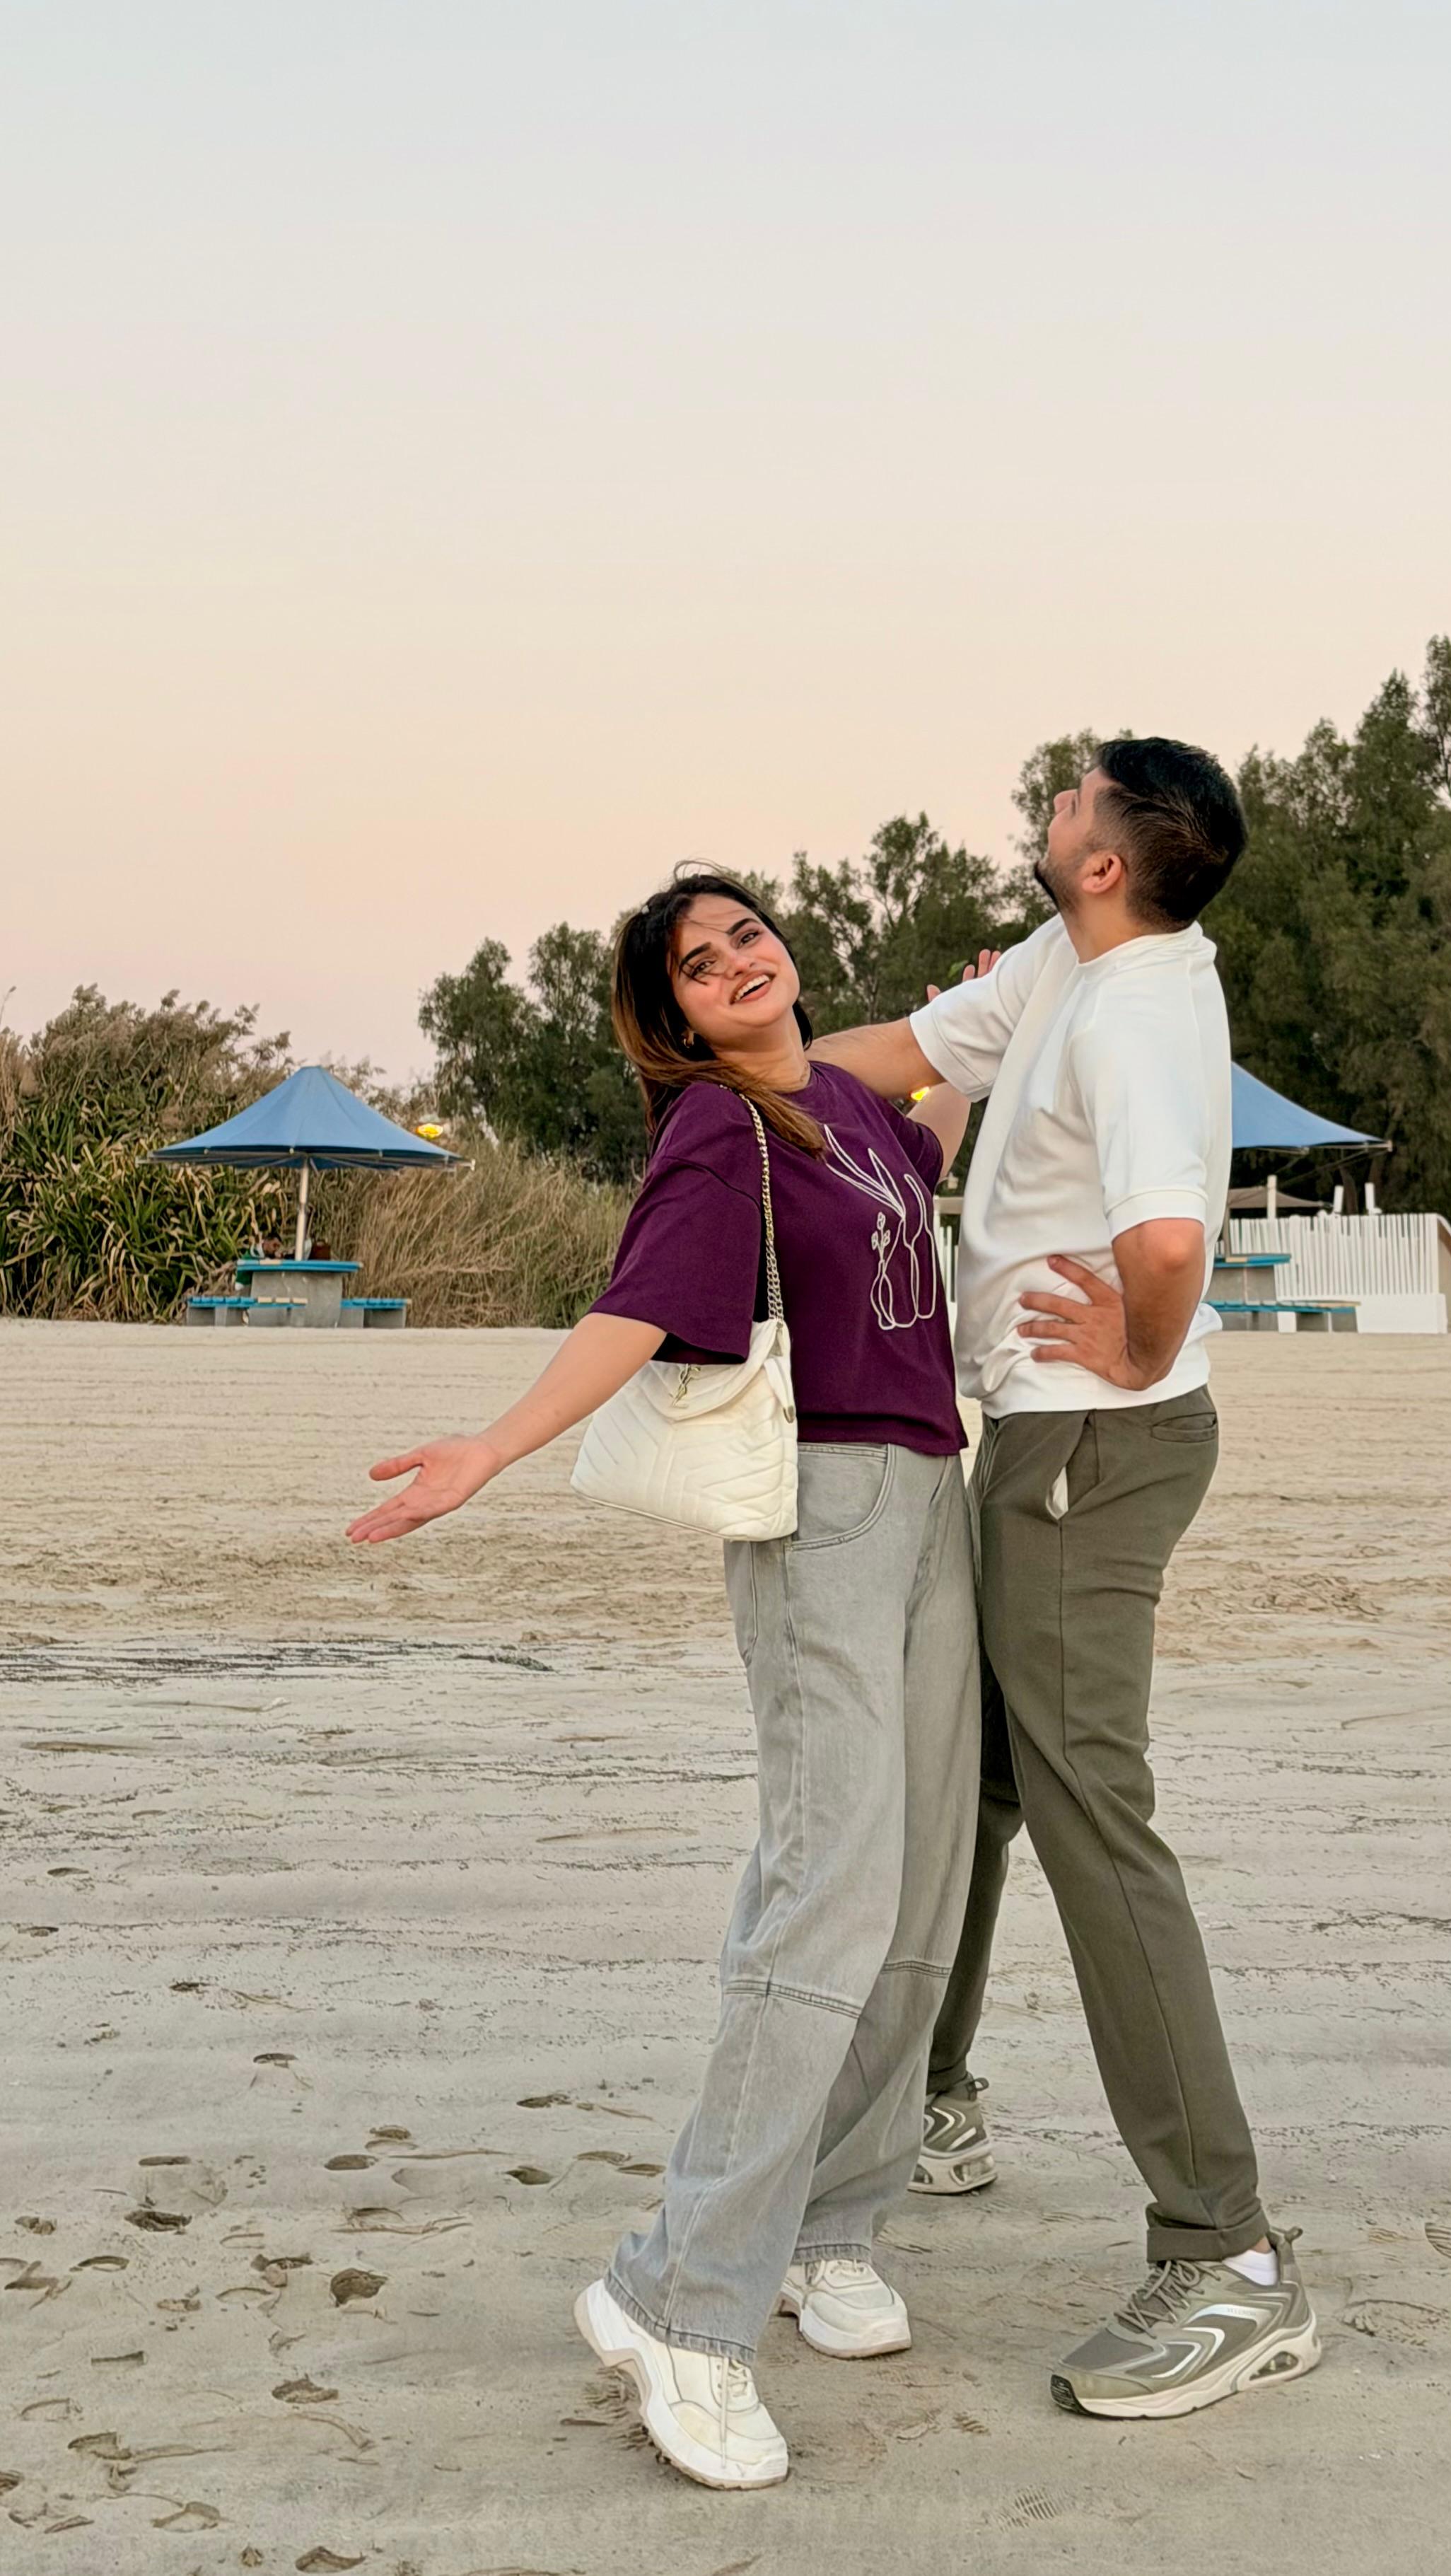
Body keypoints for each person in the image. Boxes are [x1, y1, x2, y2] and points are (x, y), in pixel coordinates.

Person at [346, 870, 984, 2493]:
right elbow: (635, 1308)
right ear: (675, 1018)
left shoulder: (850, 1102)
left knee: (921, 1893)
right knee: (827, 1901)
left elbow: (928, 1143)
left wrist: (971, 1030)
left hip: (936, 1500)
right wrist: (490, 1446)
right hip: (821, 1511)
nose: (737, 961)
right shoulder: (718, 1129)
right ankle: (678, 2297)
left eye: (746, 932)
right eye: (700, 964)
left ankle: (828, 2222)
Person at [812, 737, 1321, 2421]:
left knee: (1092, 1811)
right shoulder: (1064, 962)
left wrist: (1136, 1341)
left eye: (1073, 796)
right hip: (1047, 1442)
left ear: (1107, 857)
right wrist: (727, 1063)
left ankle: (1225, 2255)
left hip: (1089, 1450)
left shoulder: (1137, 1013)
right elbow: (900, 1053)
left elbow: (1167, 1241)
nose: (1051, 804)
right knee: (983, 1781)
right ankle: (929, 2098)